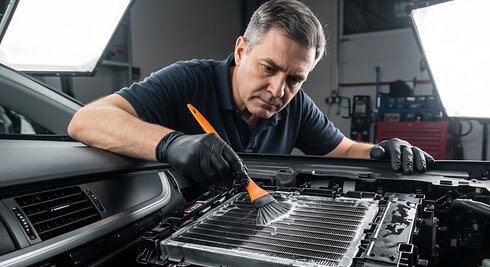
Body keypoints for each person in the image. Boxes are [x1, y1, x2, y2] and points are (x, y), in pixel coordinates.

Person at [68, 0, 434, 188]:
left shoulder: (297, 107)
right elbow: (88, 120)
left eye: (295, 79)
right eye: (269, 68)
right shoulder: (187, 80)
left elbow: (340, 150)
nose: (278, 90)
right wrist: (171, 144)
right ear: (242, 50)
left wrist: (378, 151)